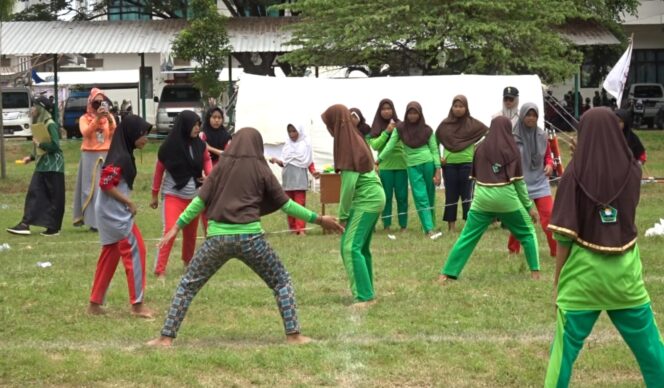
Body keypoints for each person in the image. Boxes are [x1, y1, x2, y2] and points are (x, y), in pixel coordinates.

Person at [146, 127, 344, 347]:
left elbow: (199, 202)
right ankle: (294, 335)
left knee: (187, 285)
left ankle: (165, 337)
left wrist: (177, 226)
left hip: (217, 240)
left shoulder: (220, 168)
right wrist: (318, 219)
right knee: (281, 282)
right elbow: (286, 205)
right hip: (251, 240)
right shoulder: (261, 168)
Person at [544, 107, 664, 387]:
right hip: (625, 277)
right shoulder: (633, 170)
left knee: (563, 354)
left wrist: (558, 280)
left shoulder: (574, 173)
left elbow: (564, 236)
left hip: (583, 278)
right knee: (651, 349)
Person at [438, 117, 540, 282]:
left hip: (481, 201)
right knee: (528, 233)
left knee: (467, 237)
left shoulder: (479, 149)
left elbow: (475, 178)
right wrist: (529, 207)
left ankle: (446, 273)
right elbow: (519, 183)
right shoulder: (512, 148)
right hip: (507, 200)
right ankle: (535, 273)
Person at [87, 116, 153, 318]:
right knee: (136, 249)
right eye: (143, 135)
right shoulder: (120, 157)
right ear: (132, 134)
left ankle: (94, 304)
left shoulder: (123, 153)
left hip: (108, 209)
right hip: (113, 212)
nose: (146, 139)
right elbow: (105, 184)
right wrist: (128, 202)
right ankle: (138, 305)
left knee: (110, 254)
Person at [322, 104, 386, 306]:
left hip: (366, 200)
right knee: (361, 247)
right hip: (373, 198)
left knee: (350, 247)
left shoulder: (347, 145)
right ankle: (368, 291)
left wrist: (343, 216)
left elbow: (348, 186)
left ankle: (364, 297)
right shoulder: (354, 138)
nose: (328, 129)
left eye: (329, 124)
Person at [151, 111, 212, 277]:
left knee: (191, 234)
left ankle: (188, 263)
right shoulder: (169, 147)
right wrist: (154, 194)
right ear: (184, 125)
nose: (197, 128)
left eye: (199, 124)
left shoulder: (200, 144)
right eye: (194, 124)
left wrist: (209, 176)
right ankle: (159, 270)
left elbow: (206, 159)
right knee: (170, 230)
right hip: (173, 196)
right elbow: (159, 170)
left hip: (194, 197)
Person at [378, 102, 441, 236]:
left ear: (420, 114)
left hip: (428, 164)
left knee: (430, 195)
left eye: (415, 113)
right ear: (406, 114)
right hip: (412, 166)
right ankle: (429, 229)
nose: (412, 116)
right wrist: (378, 160)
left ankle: (430, 226)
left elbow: (435, 150)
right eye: (410, 113)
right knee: (420, 197)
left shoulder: (427, 129)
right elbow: (389, 146)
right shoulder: (400, 128)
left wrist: (438, 169)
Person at [6, 96, 65, 236]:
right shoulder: (40, 124)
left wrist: (40, 144)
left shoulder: (50, 124)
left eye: (33, 106)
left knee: (53, 197)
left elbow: (55, 146)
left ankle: (53, 228)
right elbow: (41, 147)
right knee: (36, 194)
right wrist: (31, 157)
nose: (31, 109)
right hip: (43, 165)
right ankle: (25, 224)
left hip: (54, 166)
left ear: (40, 108)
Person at [507, 103, 557, 258]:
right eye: (528, 115)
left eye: (534, 115)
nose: (531, 118)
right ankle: (513, 250)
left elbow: (548, 155)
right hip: (521, 183)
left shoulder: (542, 135)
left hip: (540, 182)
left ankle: (555, 251)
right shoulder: (513, 136)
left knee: (549, 216)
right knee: (520, 218)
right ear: (522, 115)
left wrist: (549, 164)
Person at [436, 95, 489, 232]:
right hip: (449, 165)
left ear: (466, 108)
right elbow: (435, 140)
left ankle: (468, 225)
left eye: (461, 106)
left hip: (467, 164)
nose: (458, 109)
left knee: (467, 196)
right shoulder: (445, 125)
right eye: (456, 106)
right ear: (451, 107)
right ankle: (451, 227)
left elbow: (489, 133)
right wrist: (438, 158)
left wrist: (478, 147)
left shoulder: (473, 124)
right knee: (451, 195)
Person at [73, 88, 117, 231]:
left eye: (101, 101)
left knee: (106, 186)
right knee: (90, 189)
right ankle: (93, 222)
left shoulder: (108, 117)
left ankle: (107, 219)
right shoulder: (84, 118)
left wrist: (108, 118)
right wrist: (96, 118)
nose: (98, 105)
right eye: (96, 102)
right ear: (90, 103)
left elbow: (113, 131)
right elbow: (85, 132)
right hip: (89, 155)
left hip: (105, 154)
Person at [268, 122, 320, 235]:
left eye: (294, 131)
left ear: (299, 131)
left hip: (299, 179)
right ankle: (292, 228)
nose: (292, 134)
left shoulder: (305, 144)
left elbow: (309, 162)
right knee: (289, 205)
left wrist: (314, 172)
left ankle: (300, 229)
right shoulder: (287, 145)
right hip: (288, 179)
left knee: (299, 205)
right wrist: (276, 160)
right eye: (290, 131)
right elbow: (284, 162)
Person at [367, 99, 409, 231]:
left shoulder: (401, 124)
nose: (386, 111)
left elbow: (408, 141)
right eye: (383, 109)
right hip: (385, 167)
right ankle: (387, 225)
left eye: (389, 108)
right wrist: (386, 132)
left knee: (402, 197)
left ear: (393, 110)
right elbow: (375, 145)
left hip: (402, 166)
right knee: (387, 197)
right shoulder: (375, 126)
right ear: (379, 111)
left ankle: (403, 225)